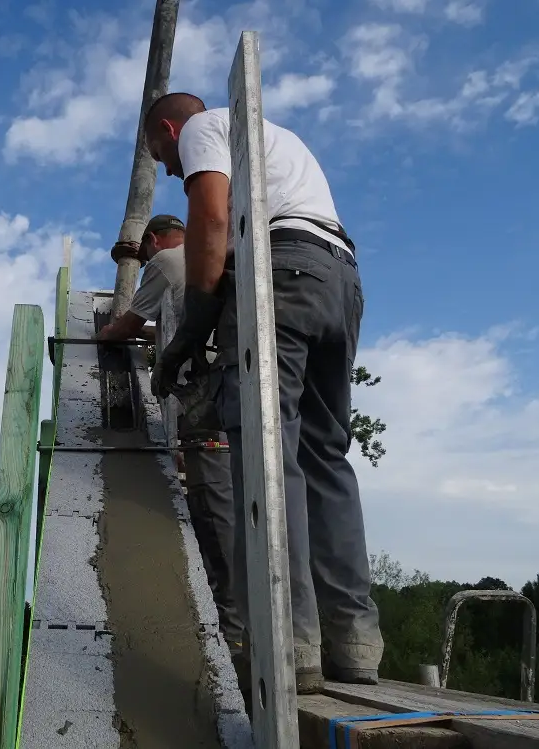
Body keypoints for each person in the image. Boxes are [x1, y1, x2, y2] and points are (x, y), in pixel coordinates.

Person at [144, 92, 384, 696]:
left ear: (170, 128)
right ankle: (355, 645)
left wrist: (187, 335)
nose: (172, 171)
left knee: (267, 455)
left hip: (284, 272)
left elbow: (214, 222)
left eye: (163, 156)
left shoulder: (203, 127)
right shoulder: (277, 140)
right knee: (325, 456)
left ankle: (293, 646)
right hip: (341, 278)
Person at [98, 214, 245, 654]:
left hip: (201, 397)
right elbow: (169, 323)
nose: (145, 258)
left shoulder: (164, 261)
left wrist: (106, 333)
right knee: (233, 498)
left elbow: (127, 325)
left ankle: (233, 625)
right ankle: (249, 613)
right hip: (232, 387)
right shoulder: (207, 257)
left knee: (213, 503)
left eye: (144, 251)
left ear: (154, 240)